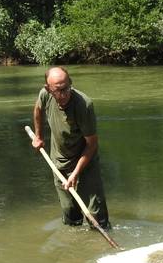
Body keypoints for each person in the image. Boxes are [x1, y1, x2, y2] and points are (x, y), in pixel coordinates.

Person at [31, 66, 110, 228]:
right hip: (59, 163)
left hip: (85, 162)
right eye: (58, 91)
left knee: (96, 216)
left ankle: (100, 235)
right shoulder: (45, 95)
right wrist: (39, 136)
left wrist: (76, 173)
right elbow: (38, 109)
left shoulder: (83, 105)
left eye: (66, 88)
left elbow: (92, 144)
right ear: (49, 89)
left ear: (70, 83)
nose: (64, 94)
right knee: (70, 214)